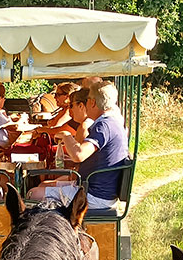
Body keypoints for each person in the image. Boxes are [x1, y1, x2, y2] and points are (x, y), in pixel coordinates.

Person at [28, 81, 129, 209]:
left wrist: (66, 136)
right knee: (42, 186)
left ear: (92, 102)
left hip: (94, 196)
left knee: (32, 194)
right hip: (95, 189)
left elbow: (78, 155)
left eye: (87, 101)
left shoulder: (103, 126)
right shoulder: (113, 122)